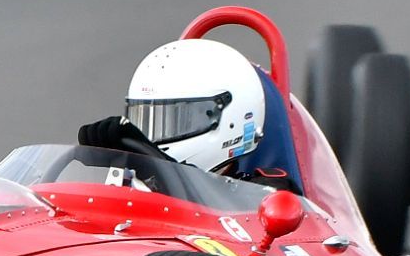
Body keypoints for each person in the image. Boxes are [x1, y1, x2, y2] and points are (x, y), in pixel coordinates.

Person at [79, 38, 297, 189]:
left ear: (232, 119)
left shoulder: (269, 193)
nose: (154, 137)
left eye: (180, 120)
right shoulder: (133, 185)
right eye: (149, 120)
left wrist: (156, 168)